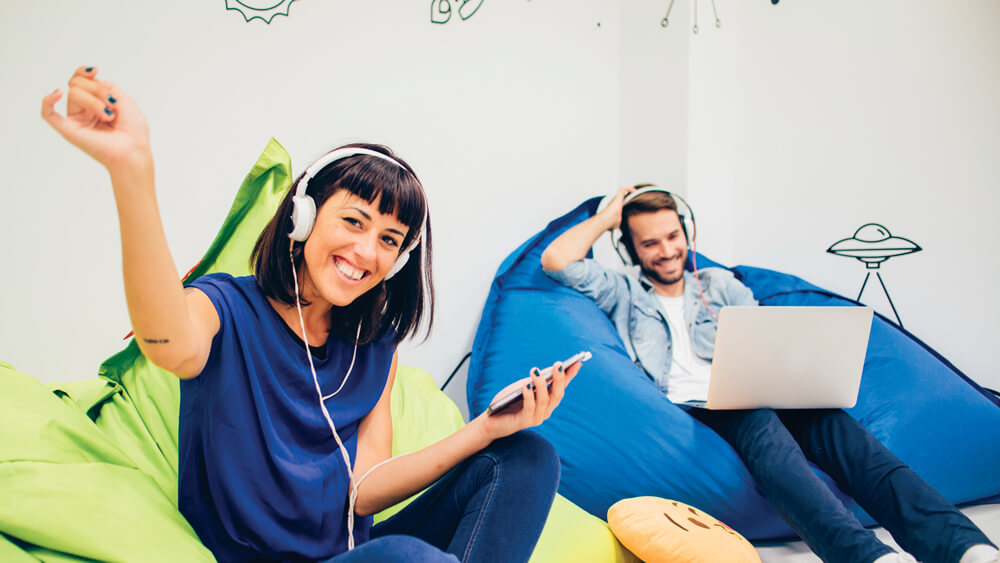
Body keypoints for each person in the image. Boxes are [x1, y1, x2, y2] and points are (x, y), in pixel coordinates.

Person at [41, 66, 581, 563]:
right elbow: (166, 343)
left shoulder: (375, 347)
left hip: (353, 555)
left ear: (398, 262)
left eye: (388, 239)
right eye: (353, 221)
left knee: (526, 456)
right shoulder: (224, 306)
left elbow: (366, 486)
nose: (367, 252)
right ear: (302, 216)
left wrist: (486, 428)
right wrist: (132, 173)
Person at [540, 185, 999, 563]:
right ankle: (866, 558)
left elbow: (769, 343)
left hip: (758, 385)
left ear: (687, 232)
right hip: (697, 405)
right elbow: (556, 262)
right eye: (650, 242)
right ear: (630, 248)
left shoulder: (720, 285)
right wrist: (606, 218)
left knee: (844, 432)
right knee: (762, 426)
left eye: (673, 236)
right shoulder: (621, 290)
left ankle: (963, 546)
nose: (666, 251)